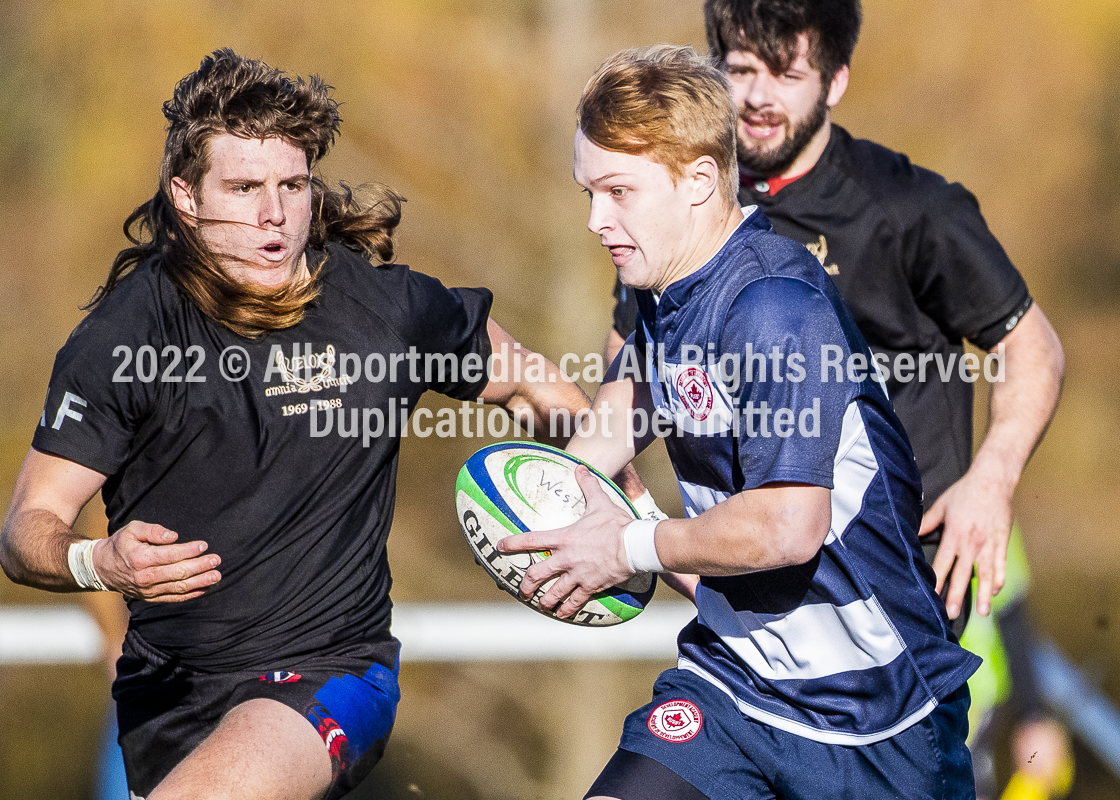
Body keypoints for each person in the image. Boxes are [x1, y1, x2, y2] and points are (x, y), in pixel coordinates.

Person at [0, 49, 595, 800]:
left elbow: (533, 383)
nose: (273, 216)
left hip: (332, 672)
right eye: (244, 189)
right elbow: (28, 528)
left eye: (291, 185)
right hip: (168, 699)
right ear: (185, 197)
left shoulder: (383, 311)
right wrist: (99, 562)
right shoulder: (125, 339)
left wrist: (622, 510)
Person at [503, 44, 980, 799]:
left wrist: (626, 544)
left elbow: (788, 526)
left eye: (618, 191)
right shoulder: (672, 290)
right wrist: (553, 504)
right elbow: (633, 400)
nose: (596, 219)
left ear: (698, 181)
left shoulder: (773, 308)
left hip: (873, 718)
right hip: (733, 686)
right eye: (587, 192)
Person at [606, 0, 1065, 633]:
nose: (759, 97)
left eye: (787, 75)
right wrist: (645, 520)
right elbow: (632, 366)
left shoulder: (910, 207)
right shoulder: (677, 206)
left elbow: (1032, 347)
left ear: (835, 81)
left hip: (895, 585)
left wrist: (993, 478)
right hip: (751, 575)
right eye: (740, 70)